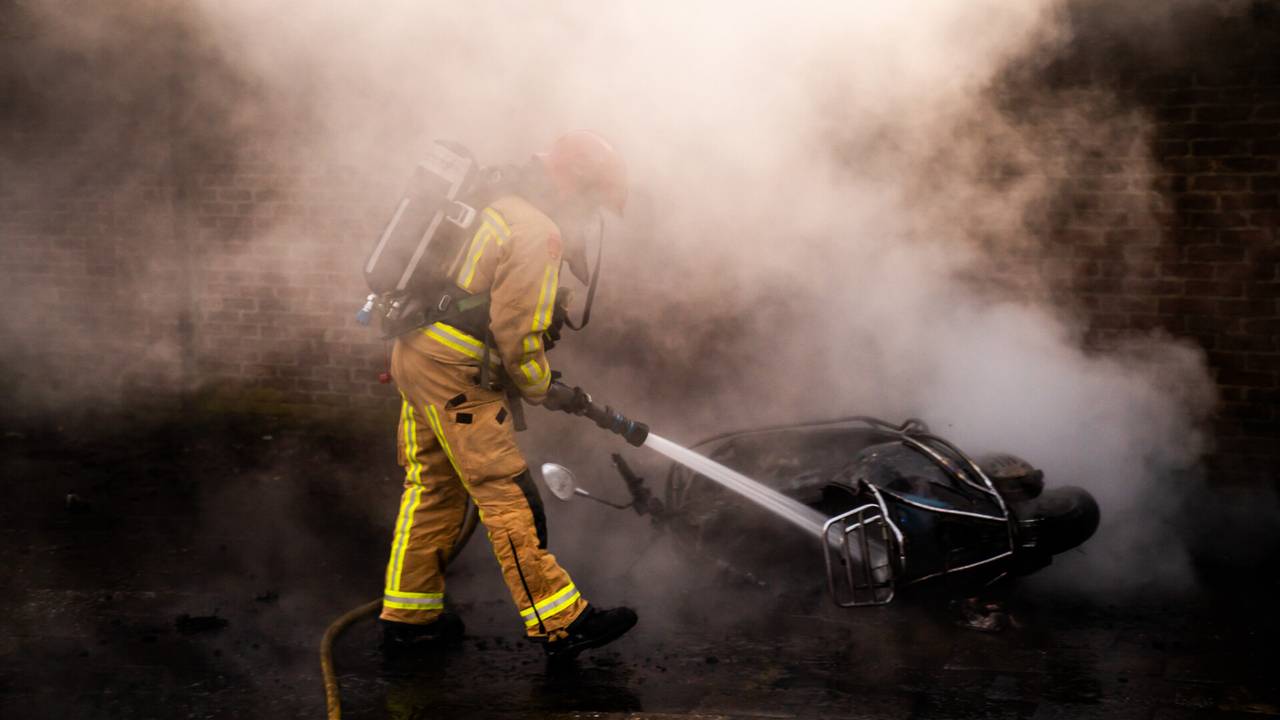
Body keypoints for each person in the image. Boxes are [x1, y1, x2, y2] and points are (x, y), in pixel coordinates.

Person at [379, 130, 637, 661]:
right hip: (456, 375)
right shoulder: (537, 230)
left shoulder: (501, 206)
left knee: (431, 485)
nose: (590, 216)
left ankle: (409, 617)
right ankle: (559, 620)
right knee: (505, 492)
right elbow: (517, 333)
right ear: (576, 186)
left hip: (416, 355)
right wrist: (544, 388)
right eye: (592, 201)